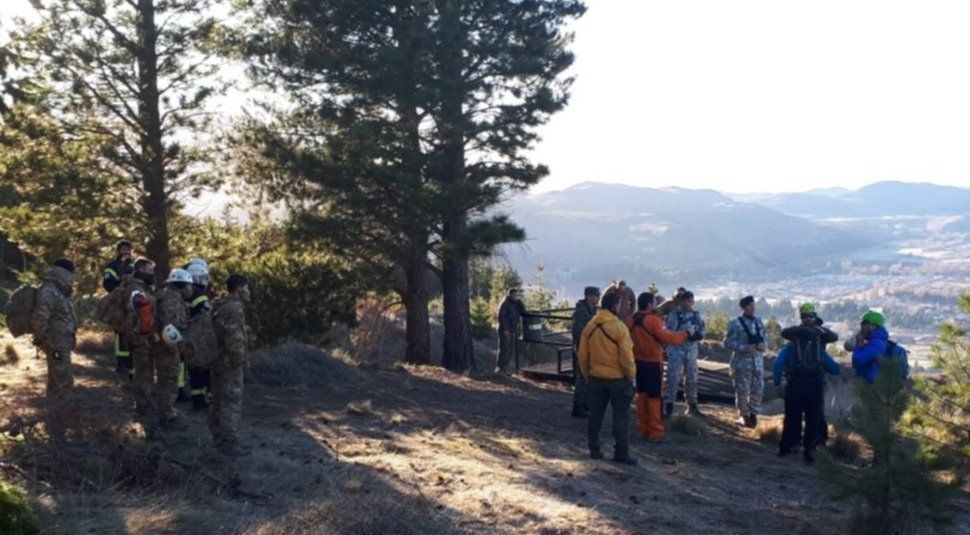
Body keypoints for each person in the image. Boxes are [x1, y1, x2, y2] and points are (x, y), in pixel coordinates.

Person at [774, 305, 841, 464]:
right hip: (815, 384)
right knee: (814, 418)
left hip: (795, 384)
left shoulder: (792, 343)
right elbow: (834, 368)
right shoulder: (819, 344)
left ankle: (786, 447)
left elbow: (778, 363)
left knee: (791, 417)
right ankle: (809, 452)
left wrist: (778, 383)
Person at [577, 291, 637, 465]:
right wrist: (630, 376)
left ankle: (594, 449)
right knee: (621, 417)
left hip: (596, 377)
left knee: (595, 415)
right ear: (614, 305)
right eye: (619, 304)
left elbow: (582, 354)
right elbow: (626, 357)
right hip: (618, 379)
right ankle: (621, 452)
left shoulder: (590, 326)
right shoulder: (619, 327)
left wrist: (587, 372)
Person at [626, 292, 691, 443]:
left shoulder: (631, 320)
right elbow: (670, 338)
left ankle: (643, 429)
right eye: (655, 302)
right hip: (653, 364)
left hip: (638, 362)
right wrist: (686, 334)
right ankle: (655, 432)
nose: (657, 304)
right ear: (649, 304)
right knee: (654, 398)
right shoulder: (654, 321)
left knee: (641, 396)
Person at [146, 268, 194, 431]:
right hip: (167, 349)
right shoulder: (171, 300)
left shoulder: (164, 296)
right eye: (189, 285)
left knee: (166, 381)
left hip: (162, 346)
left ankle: (165, 414)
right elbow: (172, 327)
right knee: (168, 382)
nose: (191, 289)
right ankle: (166, 417)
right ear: (182, 285)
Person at [210, 274, 252, 457]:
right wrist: (239, 362)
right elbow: (234, 339)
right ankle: (229, 442)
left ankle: (218, 438)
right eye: (247, 287)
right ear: (240, 288)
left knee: (218, 400)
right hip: (229, 363)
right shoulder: (234, 308)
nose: (249, 292)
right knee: (230, 401)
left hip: (218, 361)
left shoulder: (221, 305)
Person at [31, 258, 78, 397]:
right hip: (55, 342)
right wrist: (39, 337)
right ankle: (62, 412)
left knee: (56, 377)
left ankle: (53, 408)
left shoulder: (60, 290)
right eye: (70, 273)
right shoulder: (49, 290)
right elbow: (40, 316)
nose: (72, 277)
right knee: (63, 378)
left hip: (62, 341)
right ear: (61, 272)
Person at [724, 295, 768, 427]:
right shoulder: (735, 323)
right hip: (741, 363)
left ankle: (753, 414)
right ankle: (743, 415)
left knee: (758, 389)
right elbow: (727, 342)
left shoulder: (759, 322)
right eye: (750, 306)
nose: (753, 308)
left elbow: (765, 338)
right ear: (743, 308)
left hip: (757, 363)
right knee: (742, 391)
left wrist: (763, 345)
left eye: (754, 305)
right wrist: (743, 347)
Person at [664, 290, 706, 417]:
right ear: (681, 301)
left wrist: (696, 336)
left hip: (691, 351)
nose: (690, 303)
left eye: (691, 301)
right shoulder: (674, 314)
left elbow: (702, 331)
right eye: (687, 301)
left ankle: (692, 405)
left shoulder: (696, 315)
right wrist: (685, 333)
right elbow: (669, 332)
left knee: (692, 379)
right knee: (673, 378)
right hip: (676, 350)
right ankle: (669, 405)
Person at [126, 259, 158, 416]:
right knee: (143, 373)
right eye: (150, 270)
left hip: (143, 336)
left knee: (145, 372)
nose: (152, 274)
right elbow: (138, 311)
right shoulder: (135, 289)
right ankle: (142, 405)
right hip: (140, 337)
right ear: (140, 270)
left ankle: (144, 403)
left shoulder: (142, 287)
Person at [103, 241, 135, 378]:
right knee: (120, 332)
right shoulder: (112, 266)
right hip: (118, 304)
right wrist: (120, 280)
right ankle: (121, 364)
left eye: (128, 249)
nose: (126, 252)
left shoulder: (135, 266)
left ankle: (132, 363)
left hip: (133, 303)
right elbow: (107, 284)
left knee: (133, 331)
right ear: (118, 251)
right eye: (123, 249)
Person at [186, 262, 214, 410]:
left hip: (188, 338)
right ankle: (208, 400)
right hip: (201, 339)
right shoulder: (200, 296)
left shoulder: (186, 293)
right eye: (204, 277)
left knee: (193, 370)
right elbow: (206, 315)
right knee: (205, 370)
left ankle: (197, 400)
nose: (206, 280)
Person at [570, 286, 600, 418]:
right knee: (582, 378)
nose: (597, 299)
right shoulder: (582, 311)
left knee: (589, 377)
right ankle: (578, 406)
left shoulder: (591, 310)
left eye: (597, 296)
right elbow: (577, 331)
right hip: (583, 348)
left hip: (589, 347)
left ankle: (585, 404)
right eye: (595, 296)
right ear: (589, 296)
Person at [850, 310, 890, 384]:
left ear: (873, 326)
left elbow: (857, 361)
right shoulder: (872, 341)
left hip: (872, 385)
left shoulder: (877, 344)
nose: (861, 325)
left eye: (864, 323)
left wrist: (859, 344)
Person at [496, 288, 526, 374]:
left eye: (517, 295)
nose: (516, 297)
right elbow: (502, 316)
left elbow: (523, 312)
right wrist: (505, 328)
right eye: (515, 295)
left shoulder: (516, 304)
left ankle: (506, 368)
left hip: (513, 329)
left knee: (511, 350)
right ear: (510, 295)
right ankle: (500, 368)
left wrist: (520, 303)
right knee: (504, 349)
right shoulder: (505, 304)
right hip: (506, 330)